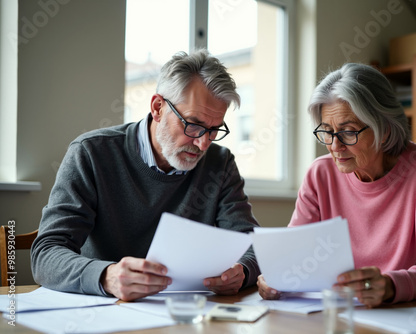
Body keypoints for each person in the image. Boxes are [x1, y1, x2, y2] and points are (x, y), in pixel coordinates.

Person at [31, 49, 260, 302]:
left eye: (215, 129)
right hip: (104, 311)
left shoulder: (220, 163)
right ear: (158, 107)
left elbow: (252, 245)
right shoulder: (92, 153)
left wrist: (242, 271)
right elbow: (46, 254)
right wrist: (106, 276)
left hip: (187, 315)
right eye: (193, 125)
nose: (204, 144)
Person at [257, 63, 416, 307]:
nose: (335, 146)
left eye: (348, 132)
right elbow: (293, 255)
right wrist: (277, 276)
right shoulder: (319, 174)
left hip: (404, 312)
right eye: (327, 132)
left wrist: (391, 286)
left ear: (385, 130)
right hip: (336, 314)